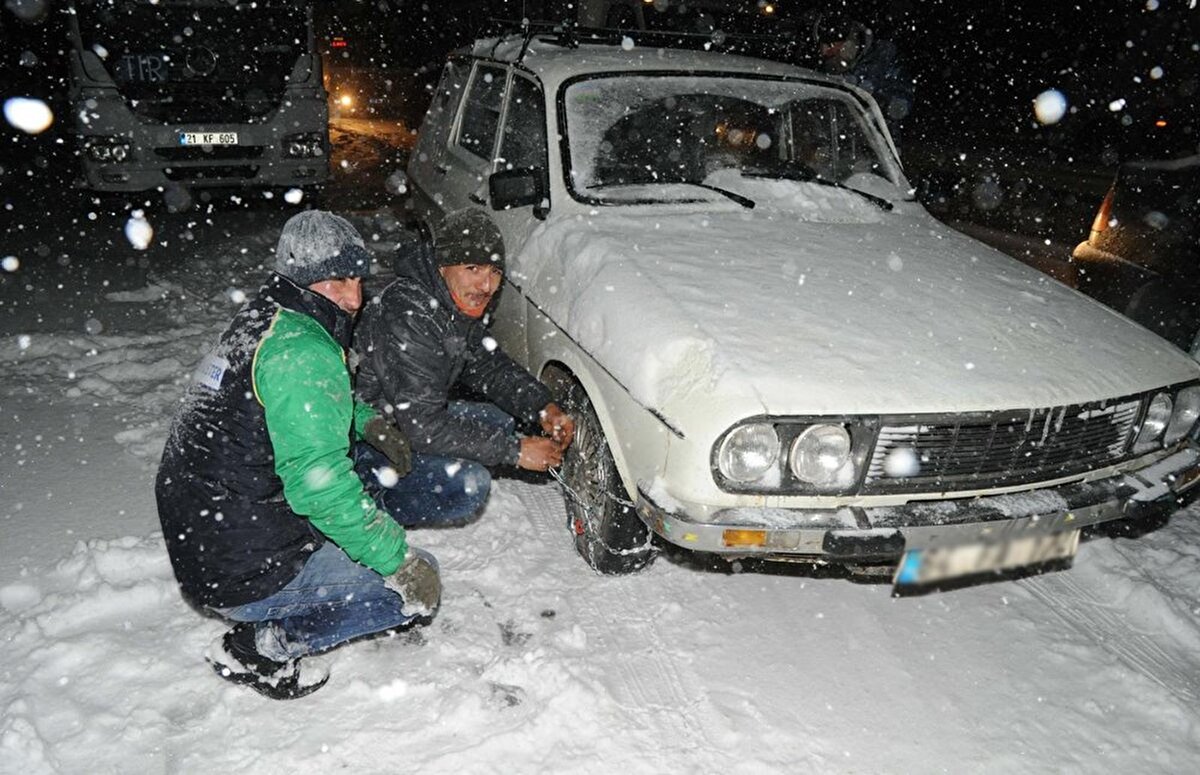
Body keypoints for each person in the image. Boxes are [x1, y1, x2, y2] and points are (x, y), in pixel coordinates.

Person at [155, 210, 441, 700]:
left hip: (208, 536)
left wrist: (364, 419)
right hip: (241, 565)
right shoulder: (302, 351)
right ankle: (261, 647)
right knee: (411, 588)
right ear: (301, 279)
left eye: (357, 278)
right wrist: (399, 562)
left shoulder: (267, 320)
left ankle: (280, 601)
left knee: (363, 503)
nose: (353, 298)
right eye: (336, 281)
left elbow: (289, 406)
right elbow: (319, 486)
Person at [354, 209, 575, 524]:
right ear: (443, 266)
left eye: (495, 272)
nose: (486, 285)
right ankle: (367, 501)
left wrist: (543, 406)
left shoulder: (452, 304)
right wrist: (516, 451)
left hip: (403, 417)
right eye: (473, 268)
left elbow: (490, 367)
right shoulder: (410, 315)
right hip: (370, 436)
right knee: (468, 486)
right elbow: (423, 428)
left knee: (500, 422)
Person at [813, 11, 914, 141]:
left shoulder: (883, 57)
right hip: (837, 144)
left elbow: (901, 101)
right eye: (822, 46)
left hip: (877, 144)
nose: (825, 52)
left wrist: (878, 101)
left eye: (831, 45)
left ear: (849, 42)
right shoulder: (827, 65)